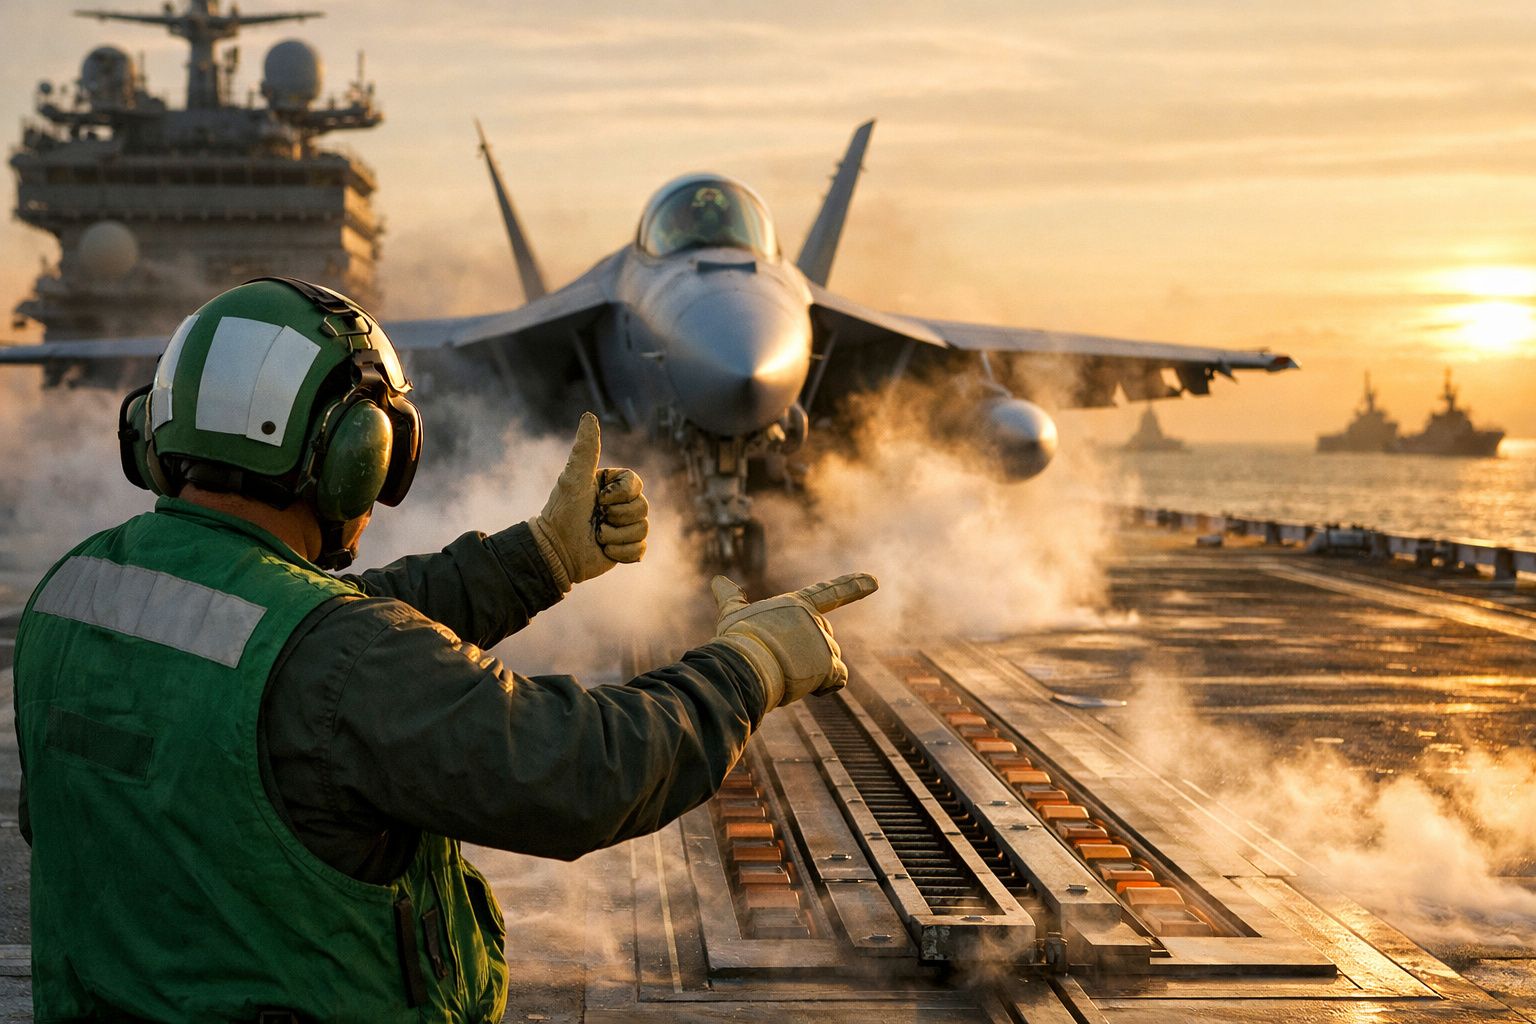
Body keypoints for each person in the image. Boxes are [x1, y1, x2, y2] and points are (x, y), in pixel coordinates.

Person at [14, 277, 876, 1021]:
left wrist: (538, 558)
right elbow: (581, 771)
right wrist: (748, 667)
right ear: (351, 456)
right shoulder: (336, 663)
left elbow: (299, 631)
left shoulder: (78, 593)